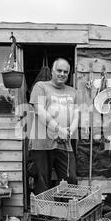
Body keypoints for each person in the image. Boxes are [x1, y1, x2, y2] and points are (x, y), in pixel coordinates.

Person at [28, 58, 79, 195]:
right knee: (42, 181)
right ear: (52, 71)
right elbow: (39, 110)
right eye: (59, 70)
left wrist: (68, 132)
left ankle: (65, 213)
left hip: (64, 142)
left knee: (70, 179)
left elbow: (76, 115)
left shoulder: (73, 92)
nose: (62, 74)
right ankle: (42, 215)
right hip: (42, 143)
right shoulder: (41, 86)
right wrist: (59, 129)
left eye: (66, 72)